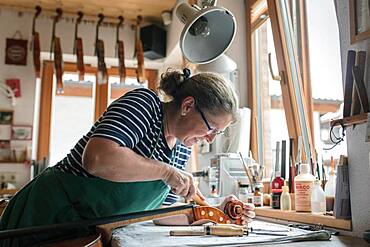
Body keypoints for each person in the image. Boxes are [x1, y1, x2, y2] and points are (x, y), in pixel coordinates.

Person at [0, 68, 255, 246]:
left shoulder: (181, 148)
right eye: (211, 128)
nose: (210, 139)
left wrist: (212, 213)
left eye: (218, 133)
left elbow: (157, 212)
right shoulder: (145, 104)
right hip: (47, 216)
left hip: (84, 234)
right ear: (188, 106)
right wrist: (166, 172)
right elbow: (98, 158)